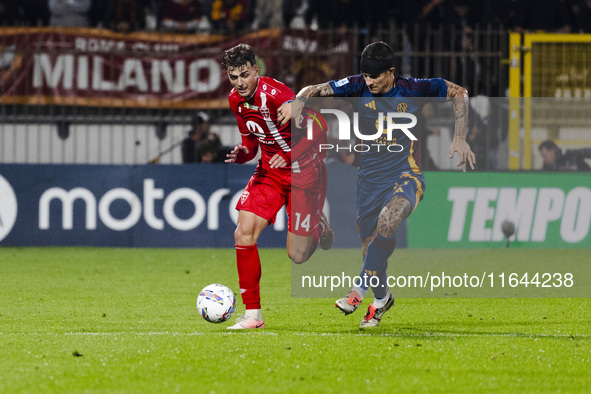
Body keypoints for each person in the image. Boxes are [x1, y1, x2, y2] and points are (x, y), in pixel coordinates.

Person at [288, 41, 475, 328]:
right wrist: (297, 104)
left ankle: (358, 291)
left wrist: (459, 136)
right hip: (368, 182)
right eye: (365, 76)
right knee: (369, 250)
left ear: (391, 72)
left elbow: (459, 92)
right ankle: (382, 298)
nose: (369, 82)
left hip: (406, 175)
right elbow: (310, 90)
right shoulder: (356, 86)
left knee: (389, 221)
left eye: (375, 77)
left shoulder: (414, 89)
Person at [222, 43, 334, 330]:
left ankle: (318, 228)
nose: (240, 83)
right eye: (233, 77)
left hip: (304, 172)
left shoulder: (279, 95)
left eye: (244, 75)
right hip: (270, 173)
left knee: (297, 256)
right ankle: (253, 316)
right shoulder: (236, 100)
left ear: (255, 70)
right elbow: (250, 142)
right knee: (243, 232)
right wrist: (242, 154)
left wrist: (288, 155)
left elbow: (319, 126)